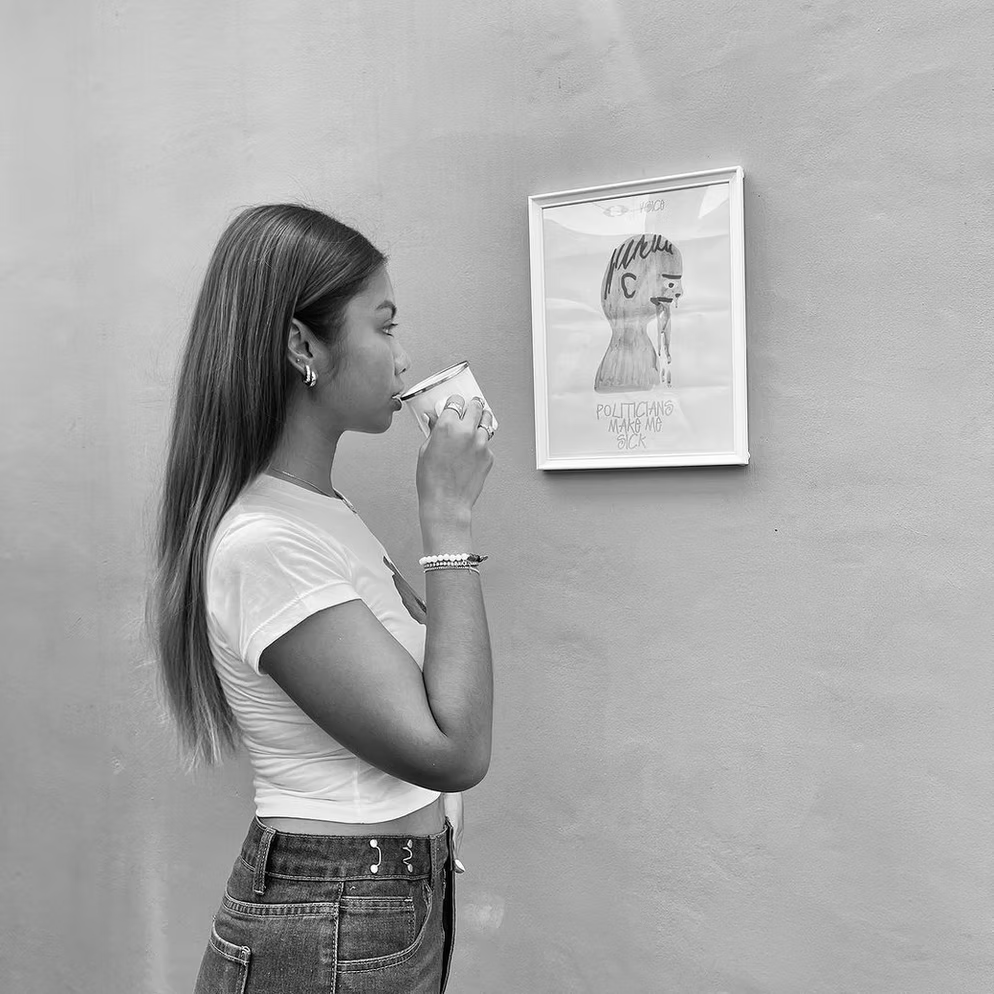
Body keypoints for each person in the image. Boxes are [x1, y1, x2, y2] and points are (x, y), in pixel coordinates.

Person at [147, 203, 496, 993]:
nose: (404, 358)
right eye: (384, 327)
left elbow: (440, 706)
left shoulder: (318, 514)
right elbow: (456, 749)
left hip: (373, 903)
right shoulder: (265, 544)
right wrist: (448, 516)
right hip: (333, 913)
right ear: (303, 345)